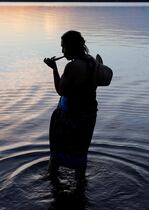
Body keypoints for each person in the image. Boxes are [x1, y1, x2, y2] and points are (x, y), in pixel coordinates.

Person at [44, 30, 97, 187]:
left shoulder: (72, 66)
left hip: (69, 117)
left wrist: (54, 68)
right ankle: (81, 189)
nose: (62, 51)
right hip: (87, 117)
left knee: (56, 156)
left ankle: (52, 187)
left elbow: (61, 90)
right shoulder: (92, 62)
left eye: (64, 47)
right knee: (80, 154)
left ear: (72, 47)